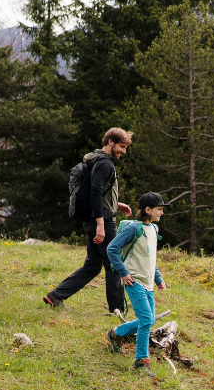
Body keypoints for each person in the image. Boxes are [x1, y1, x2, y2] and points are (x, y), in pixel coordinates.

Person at [42, 128, 134, 314]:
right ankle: (117, 310)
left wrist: (117, 205)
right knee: (114, 265)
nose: (123, 151)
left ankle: (55, 296)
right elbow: (95, 193)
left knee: (92, 266)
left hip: (94, 219)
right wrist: (101, 224)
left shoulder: (93, 159)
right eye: (121, 147)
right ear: (110, 142)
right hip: (102, 222)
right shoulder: (105, 164)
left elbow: (98, 192)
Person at [105, 192, 169, 375]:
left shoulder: (154, 230)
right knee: (148, 319)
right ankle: (141, 361)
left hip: (148, 282)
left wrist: (158, 278)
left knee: (147, 320)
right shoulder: (134, 228)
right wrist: (123, 273)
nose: (161, 213)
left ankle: (115, 334)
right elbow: (112, 248)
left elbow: (149, 258)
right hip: (134, 282)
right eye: (159, 209)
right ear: (148, 210)